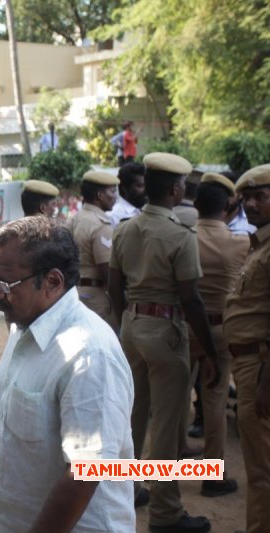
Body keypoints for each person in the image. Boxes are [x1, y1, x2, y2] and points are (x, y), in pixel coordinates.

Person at [0, 216, 135, 532]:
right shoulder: (25, 326)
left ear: (52, 282)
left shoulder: (90, 355)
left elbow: (85, 471)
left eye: (6, 284)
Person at [109, 152, 220, 533]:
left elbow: (114, 286)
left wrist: (130, 318)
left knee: (133, 418)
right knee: (168, 425)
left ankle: (126, 490)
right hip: (166, 331)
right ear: (175, 190)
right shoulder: (179, 235)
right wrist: (209, 350)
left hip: (131, 327)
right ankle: (166, 513)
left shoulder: (124, 229)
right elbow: (191, 299)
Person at [188, 173, 248, 498]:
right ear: (228, 205)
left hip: (184, 326)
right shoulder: (240, 243)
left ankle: (162, 475)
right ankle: (213, 475)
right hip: (221, 330)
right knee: (215, 400)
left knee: (172, 402)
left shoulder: (182, 238)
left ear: (194, 204)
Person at [223, 163, 270, 533]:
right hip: (249, 364)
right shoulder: (260, 245)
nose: (251, 204)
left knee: (261, 472)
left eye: (260, 197)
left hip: (261, 367)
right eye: (247, 198)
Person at [66, 170, 119, 330]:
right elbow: (108, 272)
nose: (115, 196)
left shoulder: (72, 219)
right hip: (96, 299)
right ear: (100, 195)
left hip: (73, 294)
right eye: (112, 191)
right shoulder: (100, 224)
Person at [108, 162, 147, 227]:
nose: (146, 190)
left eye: (147, 185)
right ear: (124, 188)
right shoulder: (114, 216)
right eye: (140, 186)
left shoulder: (146, 210)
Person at [223, 170, 258, 236]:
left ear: (240, 194)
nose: (223, 197)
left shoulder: (252, 221)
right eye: (220, 193)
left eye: (229, 193)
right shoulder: (204, 218)